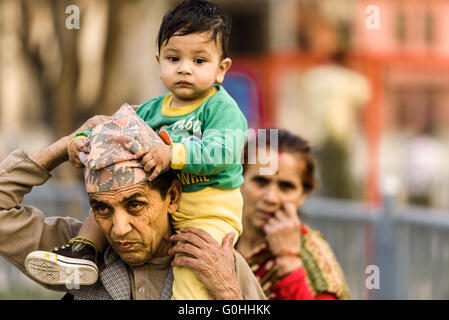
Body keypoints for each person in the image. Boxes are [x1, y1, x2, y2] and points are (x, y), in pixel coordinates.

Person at [25, 0, 247, 300]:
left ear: (221, 69)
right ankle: (81, 252)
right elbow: (117, 126)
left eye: (199, 61)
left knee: (191, 269)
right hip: (162, 208)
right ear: (159, 63)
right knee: (111, 198)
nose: (184, 69)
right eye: (173, 58)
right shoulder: (155, 108)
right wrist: (82, 140)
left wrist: (174, 154)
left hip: (208, 212)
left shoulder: (221, 108)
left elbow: (224, 150)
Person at [0, 112, 265, 300]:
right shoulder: (79, 255)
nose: (119, 228)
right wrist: (65, 146)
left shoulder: (216, 262)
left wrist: (228, 293)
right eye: (102, 208)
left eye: (135, 205)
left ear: (172, 197)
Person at [236, 129, 350, 300]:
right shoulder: (217, 235)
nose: (271, 198)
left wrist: (288, 262)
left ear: (303, 195)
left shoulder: (312, 255)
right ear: (239, 180)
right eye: (261, 181)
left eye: (286, 186)